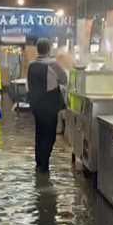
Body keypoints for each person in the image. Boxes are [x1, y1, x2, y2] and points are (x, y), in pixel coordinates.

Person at [28, 38, 68, 173]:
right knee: (50, 135)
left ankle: (39, 163)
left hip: (36, 106)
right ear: (49, 49)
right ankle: (44, 164)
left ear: (37, 49)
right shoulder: (53, 64)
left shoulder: (31, 65)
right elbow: (64, 79)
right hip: (50, 105)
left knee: (39, 134)